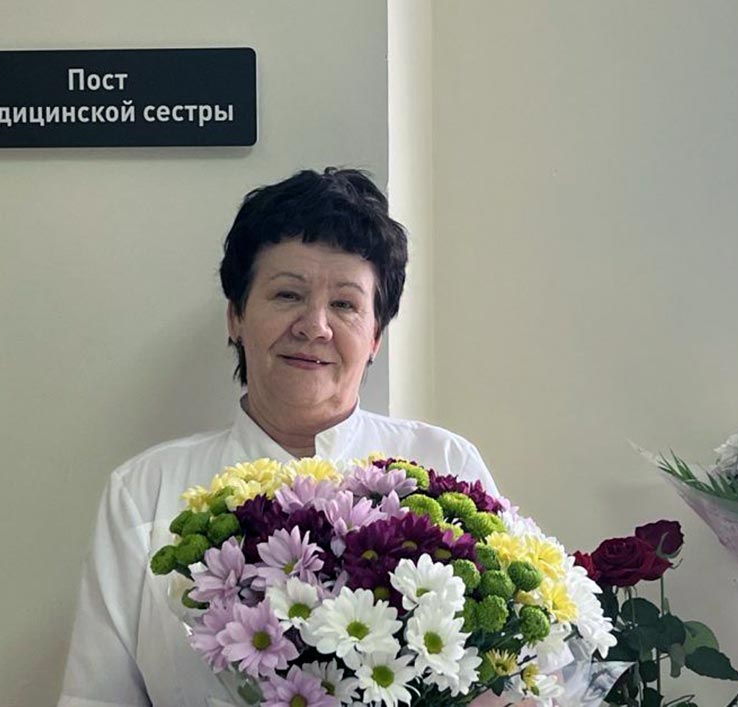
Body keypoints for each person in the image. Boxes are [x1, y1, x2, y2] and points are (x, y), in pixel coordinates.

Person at [58, 168, 498, 707]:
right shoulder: (146, 490)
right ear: (236, 317)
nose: (315, 326)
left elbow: (511, 675)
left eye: (345, 304)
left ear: (375, 337)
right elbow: (97, 697)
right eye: (288, 294)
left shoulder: (443, 467)